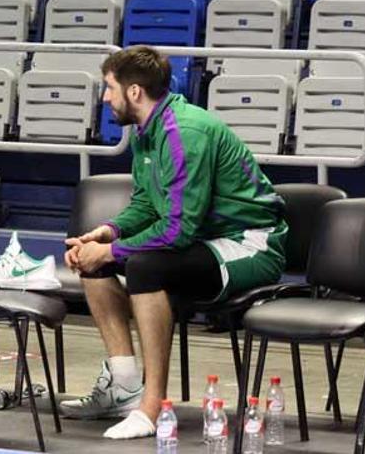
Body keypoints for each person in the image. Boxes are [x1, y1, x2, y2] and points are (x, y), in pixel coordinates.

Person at [60, 46, 287, 440]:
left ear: (134, 92)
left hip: (249, 244)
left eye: (109, 88)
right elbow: (149, 202)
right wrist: (108, 233)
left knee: (144, 266)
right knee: (90, 261)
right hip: (205, 241)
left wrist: (113, 251)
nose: (104, 98)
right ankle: (123, 386)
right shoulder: (147, 133)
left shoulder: (184, 132)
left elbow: (177, 229)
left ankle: (151, 408)